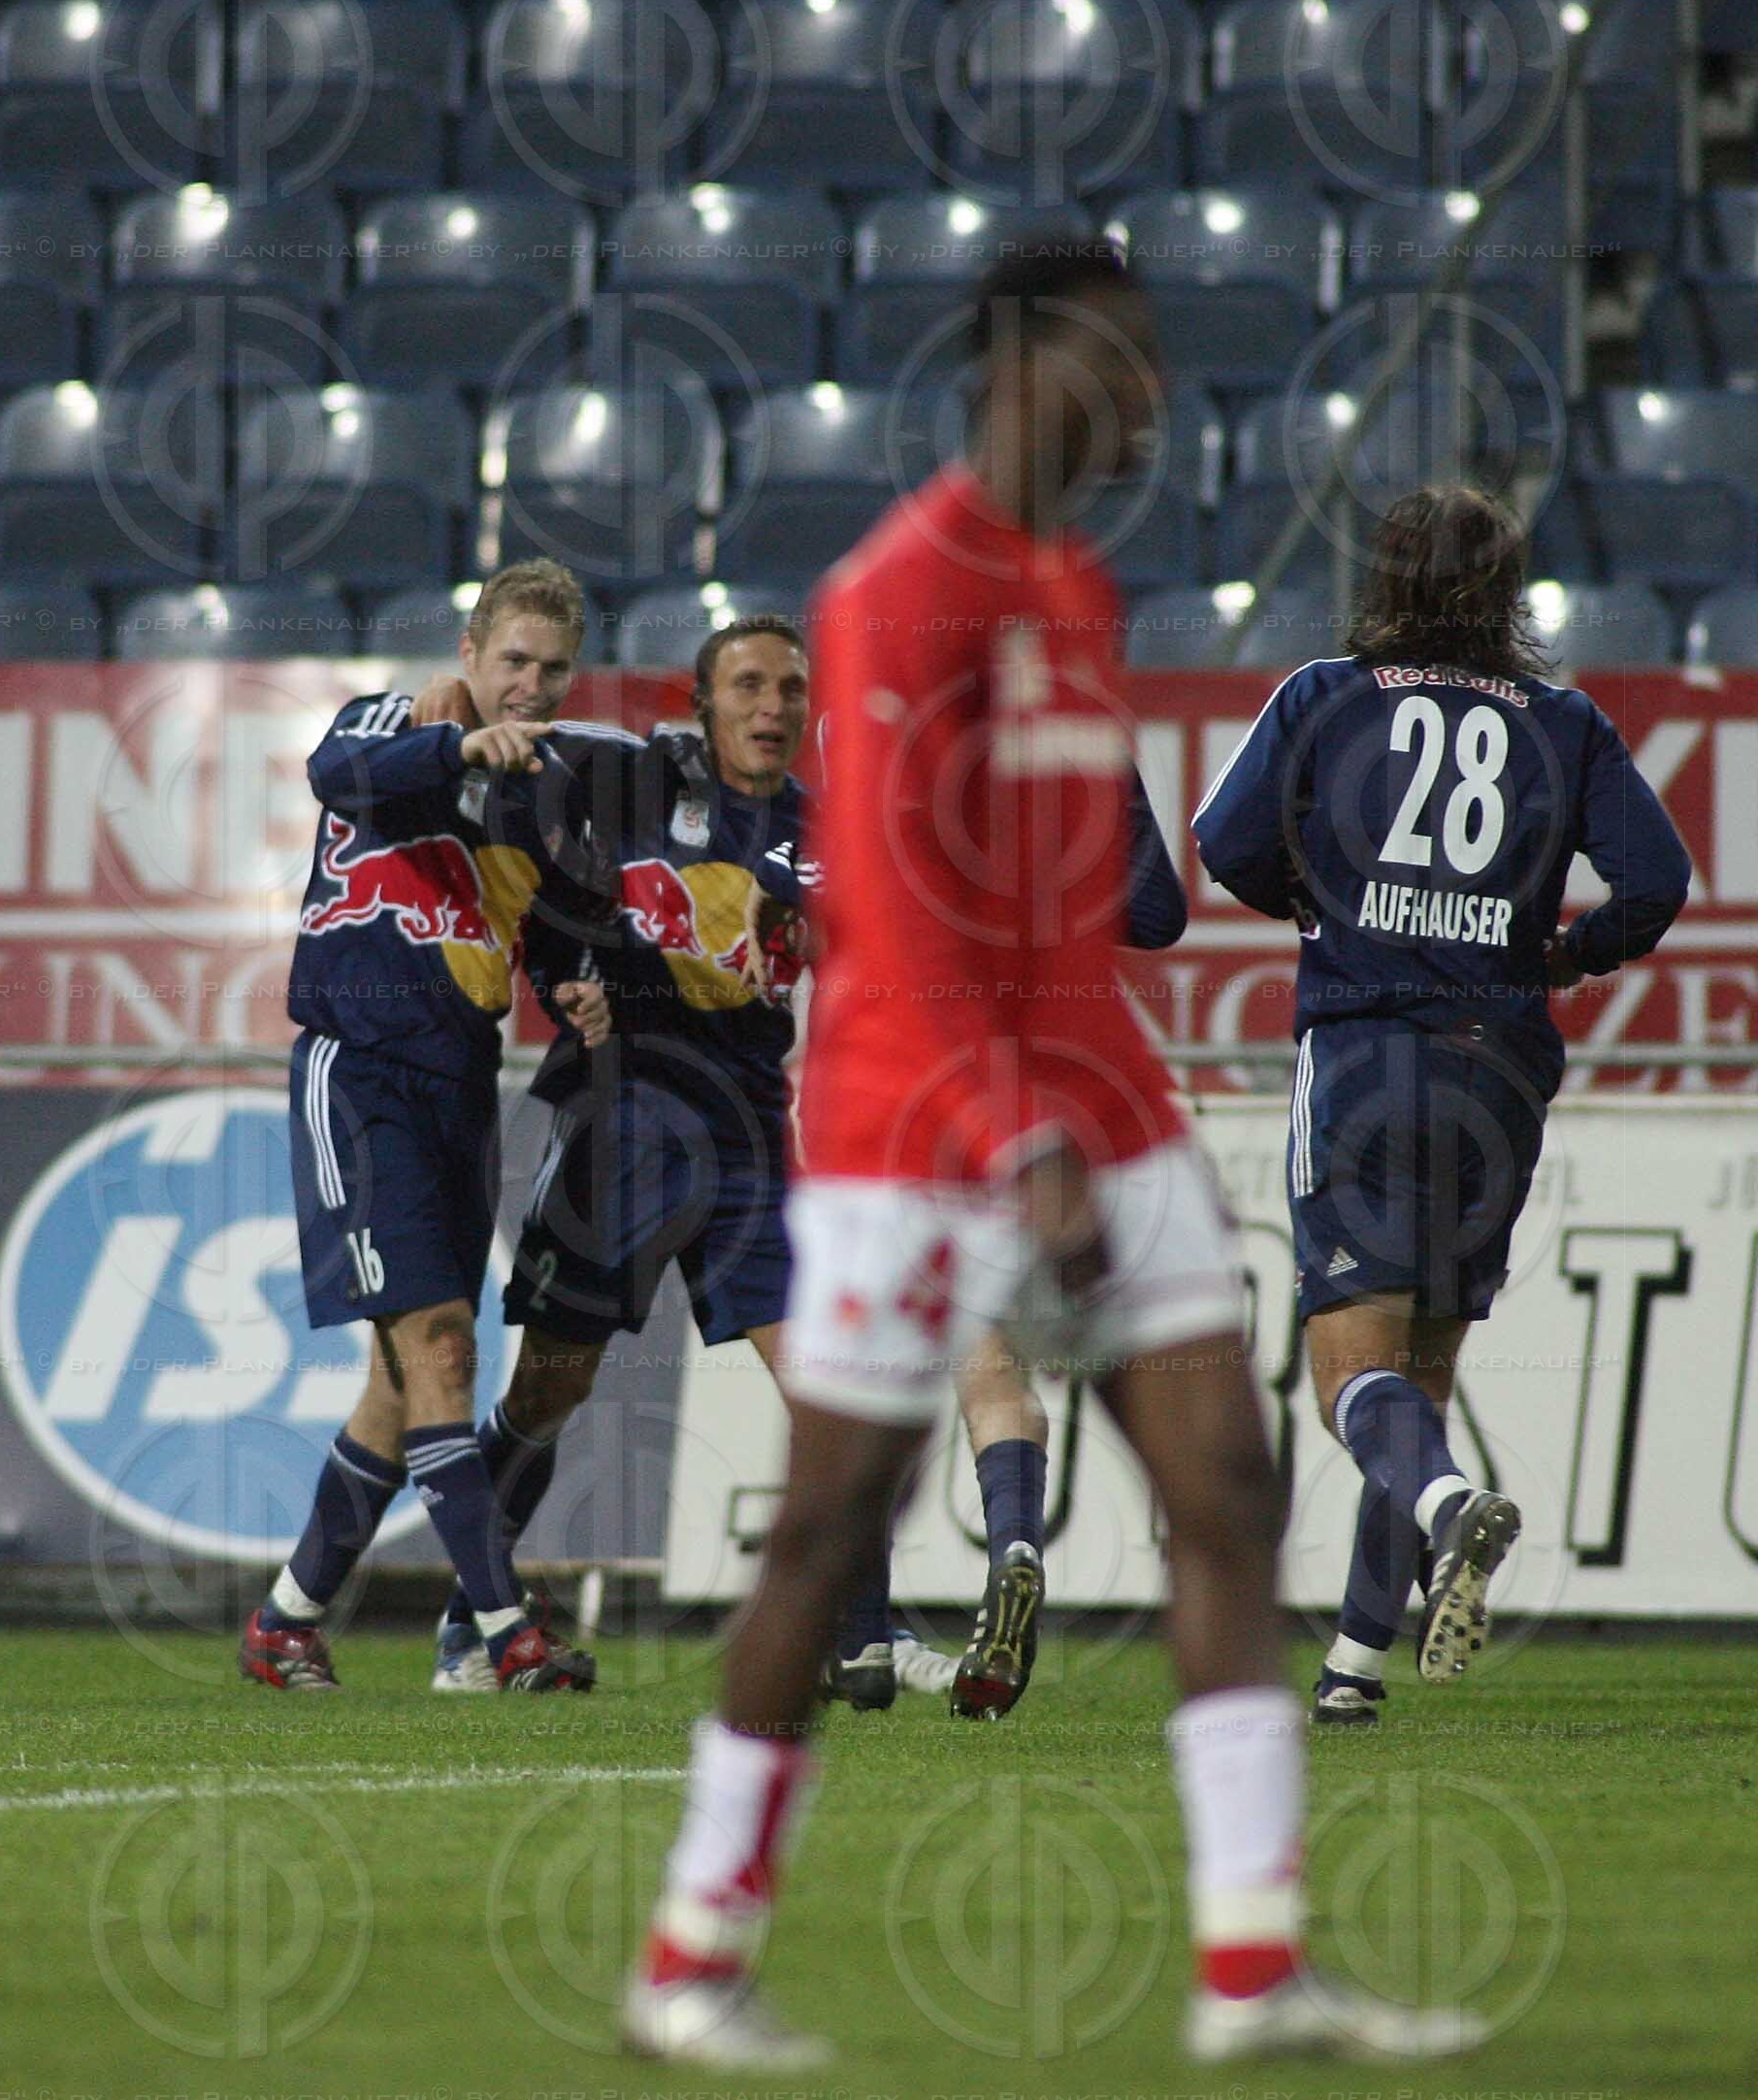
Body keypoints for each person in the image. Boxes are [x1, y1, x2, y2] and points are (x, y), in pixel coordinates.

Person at [621, 241, 1484, 2072]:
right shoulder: (892, 594)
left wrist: (1077, 1112)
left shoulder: (1075, 592)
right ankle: (693, 1949)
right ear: (1026, 364)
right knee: (834, 1521)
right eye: (1124, 360)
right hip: (906, 1115)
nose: (1153, 400)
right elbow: (902, 909)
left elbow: (1081, 897)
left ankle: (1251, 1967)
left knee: (1227, 1490)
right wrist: (1006, 1126)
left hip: (1099, 1094)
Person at [1191, 484, 1689, 1726]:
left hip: (1369, 1050)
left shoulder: (1320, 694)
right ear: (1507, 587)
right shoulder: (1566, 722)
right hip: (1503, 1064)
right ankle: (1356, 1669)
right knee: (1424, 1369)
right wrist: (1569, 955)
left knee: (1352, 1376)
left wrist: (1323, 909)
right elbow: (1659, 878)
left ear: (1386, 579)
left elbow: (1224, 840)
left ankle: (1453, 1508)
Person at [408, 615, 843, 1691]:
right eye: (747, 685)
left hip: (747, 1134)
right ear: (701, 703)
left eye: (791, 689)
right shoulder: (630, 777)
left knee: (825, 1388)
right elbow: (517, 737)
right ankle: (476, 1618)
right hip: (622, 1124)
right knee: (552, 1388)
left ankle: (858, 1628)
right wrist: (445, 709)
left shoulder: (822, 830)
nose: (772, 707)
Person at [239, 561, 608, 1694]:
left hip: (458, 1080)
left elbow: (541, 922)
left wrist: (577, 984)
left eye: (552, 669)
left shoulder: (546, 791)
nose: (531, 686)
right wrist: (459, 748)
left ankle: (285, 1623)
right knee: (441, 1348)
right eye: (514, 662)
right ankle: (505, 1632)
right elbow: (335, 769)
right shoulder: (403, 720)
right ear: (470, 652)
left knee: (406, 1383)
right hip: (363, 1077)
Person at [815, 775, 1191, 1720]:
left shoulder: (893, 731)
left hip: (916, 1075)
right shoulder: (1076, 739)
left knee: (866, 1382)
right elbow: (1158, 912)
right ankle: (1013, 1545)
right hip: (1051, 1077)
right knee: (1001, 1368)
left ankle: (847, 1645)